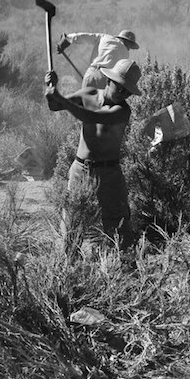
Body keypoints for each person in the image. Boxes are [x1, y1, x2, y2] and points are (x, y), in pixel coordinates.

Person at [44, 58, 141, 251]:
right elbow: (55, 106)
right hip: (80, 170)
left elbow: (92, 117)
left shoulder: (122, 110)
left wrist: (60, 97)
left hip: (109, 175)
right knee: (72, 219)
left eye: (127, 91)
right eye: (120, 87)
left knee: (119, 223)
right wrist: (50, 90)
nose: (123, 94)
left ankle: (126, 268)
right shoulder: (88, 94)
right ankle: (67, 265)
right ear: (109, 81)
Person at [56, 29, 139, 89]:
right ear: (127, 42)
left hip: (91, 73)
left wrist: (67, 39)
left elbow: (85, 37)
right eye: (130, 46)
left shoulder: (105, 37)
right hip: (106, 79)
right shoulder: (126, 54)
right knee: (98, 110)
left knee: (85, 105)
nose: (129, 49)